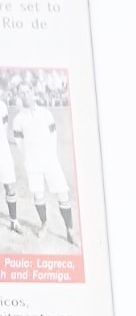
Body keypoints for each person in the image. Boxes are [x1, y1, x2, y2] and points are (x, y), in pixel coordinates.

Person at [10, 88, 75, 244]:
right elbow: (19, 143)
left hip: (50, 160)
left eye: (27, 92)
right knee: (38, 195)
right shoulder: (18, 119)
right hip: (32, 162)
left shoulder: (46, 113)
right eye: (22, 93)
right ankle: (44, 224)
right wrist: (30, 156)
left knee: (63, 193)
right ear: (20, 96)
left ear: (33, 93)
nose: (25, 95)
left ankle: (69, 229)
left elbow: (54, 135)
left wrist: (50, 155)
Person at [0, 95, 20, 233]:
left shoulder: (2, 105)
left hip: (3, 151)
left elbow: (4, 129)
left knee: (10, 186)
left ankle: (14, 221)